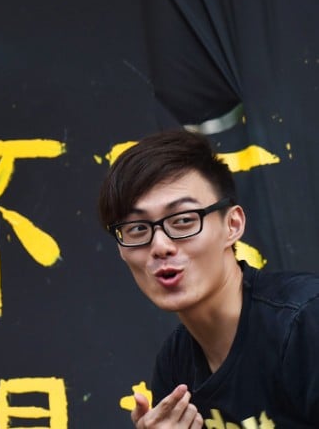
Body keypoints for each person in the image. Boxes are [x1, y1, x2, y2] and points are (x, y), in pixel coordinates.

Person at [97, 129, 319, 428]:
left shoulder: (304, 322)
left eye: (183, 220)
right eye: (137, 229)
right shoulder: (175, 366)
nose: (160, 246)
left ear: (233, 225)